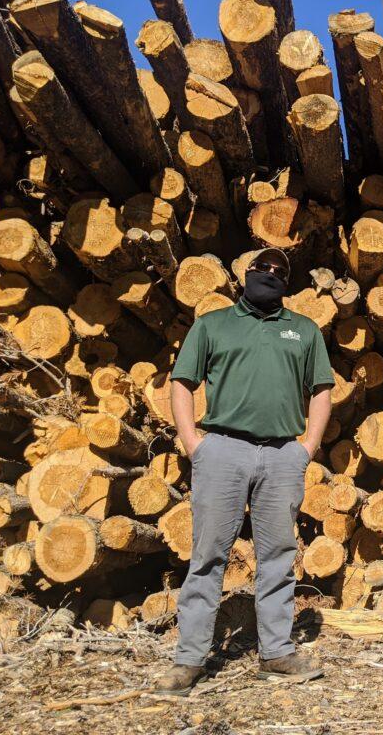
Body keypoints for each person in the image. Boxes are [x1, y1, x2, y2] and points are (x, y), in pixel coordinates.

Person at [155, 248, 334, 695]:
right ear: (246, 274)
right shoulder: (213, 324)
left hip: (281, 457)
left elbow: (322, 390)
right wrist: (193, 444)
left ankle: (276, 652)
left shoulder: (304, 330)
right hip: (223, 452)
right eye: (264, 269)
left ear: (287, 283)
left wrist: (306, 447)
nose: (271, 276)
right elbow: (182, 382)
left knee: (277, 558)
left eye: (280, 272)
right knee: (208, 556)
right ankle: (189, 660)